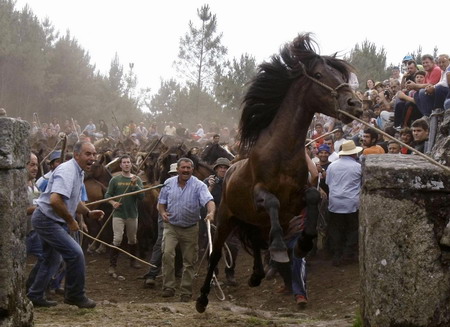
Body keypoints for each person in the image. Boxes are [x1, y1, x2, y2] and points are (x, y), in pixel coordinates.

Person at [27, 142, 104, 308]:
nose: (92, 158)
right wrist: (71, 221)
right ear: (76, 155)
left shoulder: (79, 172)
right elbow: (55, 200)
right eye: (88, 154)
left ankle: (34, 294)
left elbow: (73, 201)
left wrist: (88, 213)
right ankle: (75, 295)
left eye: (94, 154)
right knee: (76, 254)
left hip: (49, 219)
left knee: (50, 260)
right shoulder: (68, 171)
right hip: (47, 219)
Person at [159, 158, 215, 302]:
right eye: (183, 167)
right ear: (177, 169)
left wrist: (211, 213)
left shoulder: (199, 185)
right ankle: (169, 287)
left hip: (190, 228)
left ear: (192, 169)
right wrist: (163, 213)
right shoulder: (168, 184)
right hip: (171, 226)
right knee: (167, 254)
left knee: (189, 261)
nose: (185, 170)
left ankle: (185, 291)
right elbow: (161, 204)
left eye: (188, 168)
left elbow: (209, 201)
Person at [105, 154, 145, 276]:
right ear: (121, 165)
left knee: (132, 239)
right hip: (118, 214)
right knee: (117, 239)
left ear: (131, 164)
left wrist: (135, 186)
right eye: (124, 162)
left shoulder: (136, 180)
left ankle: (133, 261)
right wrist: (113, 203)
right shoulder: (115, 180)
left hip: (132, 214)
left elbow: (141, 197)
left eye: (128, 162)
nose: (126, 164)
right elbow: (107, 195)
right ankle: (112, 265)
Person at [203, 157, 240, 286]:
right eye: (220, 167)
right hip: (213, 218)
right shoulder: (208, 181)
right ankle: (213, 273)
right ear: (216, 169)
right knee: (211, 248)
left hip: (230, 219)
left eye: (225, 167)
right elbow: (202, 199)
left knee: (233, 247)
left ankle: (230, 272)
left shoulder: (234, 181)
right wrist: (211, 187)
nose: (223, 170)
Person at [326, 140, 362, 267]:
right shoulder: (358, 167)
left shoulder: (332, 166)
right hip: (351, 202)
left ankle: (337, 253)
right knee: (353, 228)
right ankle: (347, 253)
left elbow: (328, 183)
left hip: (335, 202)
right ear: (354, 154)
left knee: (336, 229)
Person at [144, 163, 179, 288]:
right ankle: (152, 274)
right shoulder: (166, 186)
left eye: (177, 173)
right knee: (160, 243)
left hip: (183, 220)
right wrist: (163, 213)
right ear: (170, 175)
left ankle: (179, 272)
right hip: (166, 218)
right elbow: (159, 205)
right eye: (174, 174)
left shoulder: (191, 185)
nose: (176, 176)